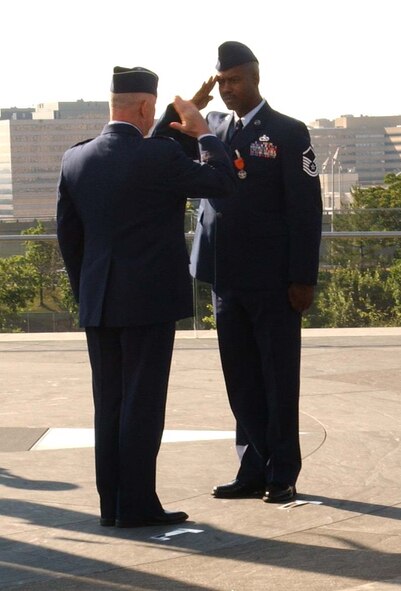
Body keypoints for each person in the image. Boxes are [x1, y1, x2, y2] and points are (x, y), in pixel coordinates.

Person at [56, 65, 236, 528]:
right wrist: (202, 132)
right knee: (142, 403)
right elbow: (222, 184)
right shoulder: (158, 158)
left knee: (109, 404)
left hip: (98, 301)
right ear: (145, 106)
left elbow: (69, 239)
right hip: (148, 302)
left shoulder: (76, 159)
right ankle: (137, 505)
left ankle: (112, 506)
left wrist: (89, 294)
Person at [153, 42, 322, 504]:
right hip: (224, 276)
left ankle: (282, 472)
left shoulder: (287, 131)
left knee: (277, 377)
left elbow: (306, 210)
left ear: (255, 78)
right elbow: (156, 148)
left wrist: (303, 276)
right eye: (222, 82)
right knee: (241, 378)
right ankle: (252, 467)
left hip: (273, 280)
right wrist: (191, 105)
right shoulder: (213, 128)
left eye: (235, 81)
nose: (228, 89)